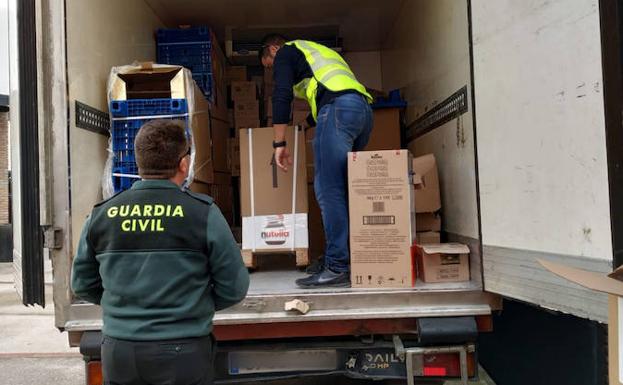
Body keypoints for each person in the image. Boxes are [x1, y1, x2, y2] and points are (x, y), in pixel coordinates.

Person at [71, 119, 249, 385]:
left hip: (120, 350)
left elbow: (82, 284)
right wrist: (195, 305)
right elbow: (234, 287)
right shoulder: (201, 213)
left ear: (138, 162)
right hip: (184, 351)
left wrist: (122, 307)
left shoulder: (103, 214)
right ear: (184, 164)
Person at [260, 34, 374, 289]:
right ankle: (344, 257)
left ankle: (337, 267)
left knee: (328, 191)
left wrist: (279, 143)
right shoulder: (317, 51)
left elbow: (281, 96)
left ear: (273, 49)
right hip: (362, 112)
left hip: (337, 110)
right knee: (344, 190)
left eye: (269, 65)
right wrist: (309, 123)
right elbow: (328, 90)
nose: (272, 71)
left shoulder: (286, 52)